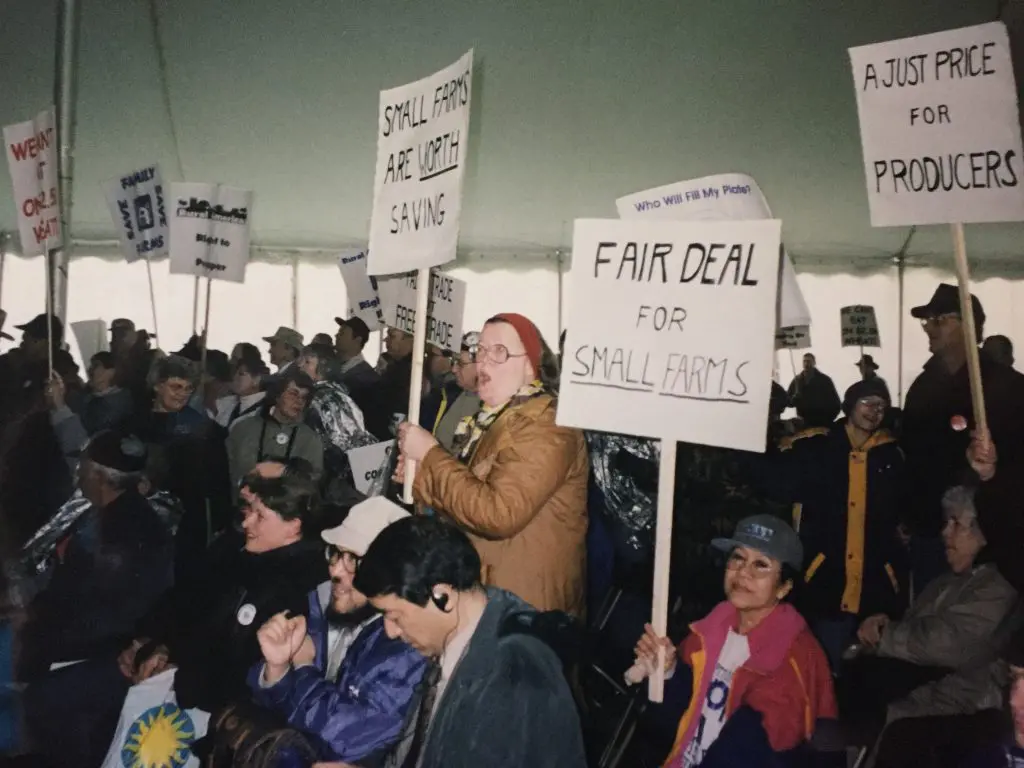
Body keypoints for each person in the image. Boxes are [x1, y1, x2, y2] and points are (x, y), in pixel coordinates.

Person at [353, 515, 587, 768]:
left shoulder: (510, 677)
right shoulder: (463, 636)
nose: (390, 632)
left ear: (443, 596)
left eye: (395, 616)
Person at [396, 313, 588, 616]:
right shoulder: (491, 420)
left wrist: (431, 454)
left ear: (530, 365)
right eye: (481, 351)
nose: (484, 361)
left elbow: (497, 514)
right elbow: (467, 502)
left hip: (527, 610)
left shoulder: (547, 426)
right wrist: (423, 479)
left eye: (499, 352)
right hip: (492, 594)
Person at [633, 514, 836, 766]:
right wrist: (668, 673)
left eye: (761, 564)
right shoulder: (709, 631)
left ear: (784, 587)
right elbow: (667, 728)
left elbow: (748, 754)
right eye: (738, 557)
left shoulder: (793, 656)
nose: (743, 572)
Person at [248, 496, 427, 765]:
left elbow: (350, 739)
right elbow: (273, 707)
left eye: (353, 559)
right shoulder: (321, 604)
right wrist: (277, 669)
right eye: (335, 553)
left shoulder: (404, 645)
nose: (335, 570)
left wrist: (304, 668)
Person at [751, 378, 907, 670]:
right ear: (849, 406)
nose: (874, 411)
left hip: (873, 586)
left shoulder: (893, 456)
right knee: (816, 663)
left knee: (863, 672)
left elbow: (903, 512)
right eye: (867, 403)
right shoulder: (814, 446)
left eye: (881, 406)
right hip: (823, 580)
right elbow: (772, 482)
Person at [227, 367, 324, 489]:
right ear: (277, 395)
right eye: (293, 394)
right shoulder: (243, 428)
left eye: (304, 397)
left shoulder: (310, 439)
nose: (299, 401)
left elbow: (312, 482)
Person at [421, 332, 483, 453]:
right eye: (454, 362)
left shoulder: (492, 408)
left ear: (480, 366)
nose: (454, 369)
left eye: (460, 364)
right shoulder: (451, 394)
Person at [787, 353, 841, 428]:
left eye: (808, 361)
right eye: (804, 361)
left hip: (821, 423)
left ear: (814, 363)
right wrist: (794, 399)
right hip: (803, 424)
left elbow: (836, 404)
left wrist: (828, 420)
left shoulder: (824, 380)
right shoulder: (797, 380)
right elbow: (788, 402)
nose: (806, 364)